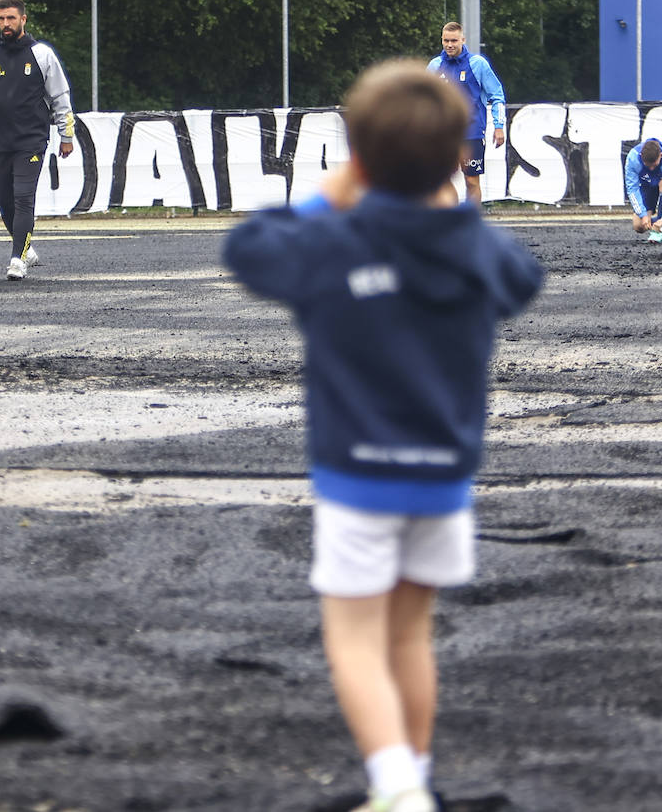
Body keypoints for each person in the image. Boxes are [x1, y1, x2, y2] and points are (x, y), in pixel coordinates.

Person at [223, 59, 543, 812]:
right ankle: (412, 779)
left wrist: (331, 195)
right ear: (456, 161)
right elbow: (522, 274)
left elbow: (247, 248)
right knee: (409, 637)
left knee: (356, 640)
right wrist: (452, 207)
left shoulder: (331, 243)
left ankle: (399, 789)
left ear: (358, 158)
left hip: (356, 475)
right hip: (442, 478)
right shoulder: (474, 249)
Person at [0, 0, 75, 280]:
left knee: (24, 197)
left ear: (23, 19)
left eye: (11, 18)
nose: (6, 24)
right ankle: (26, 248)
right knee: (5, 201)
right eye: (1, 19)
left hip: (31, 139)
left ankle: (17, 260)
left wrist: (66, 134)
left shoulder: (42, 54)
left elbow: (60, 96)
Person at [426, 21, 507, 205]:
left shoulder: (477, 64)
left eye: (454, 40)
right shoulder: (434, 66)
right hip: (444, 134)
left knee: (471, 180)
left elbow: (497, 95)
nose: (449, 45)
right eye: (446, 40)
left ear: (462, 40)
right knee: (443, 180)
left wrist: (499, 126)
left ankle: (471, 222)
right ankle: (453, 220)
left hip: (472, 131)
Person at [624, 138, 662, 242]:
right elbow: (632, 189)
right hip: (646, 185)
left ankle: (661, 225)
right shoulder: (633, 158)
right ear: (641, 156)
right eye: (648, 165)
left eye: (654, 165)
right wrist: (643, 215)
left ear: (661, 155)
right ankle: (655, 222)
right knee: (639, 226)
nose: (651, 169)